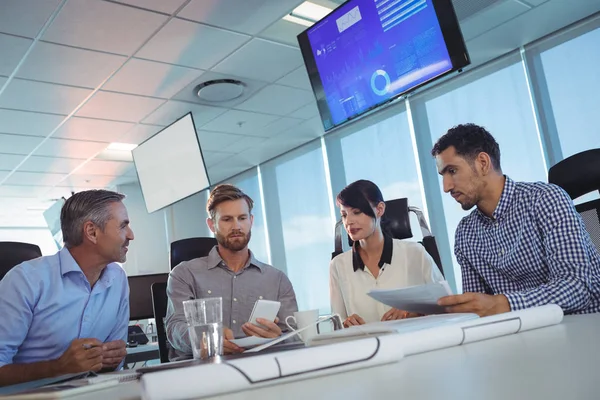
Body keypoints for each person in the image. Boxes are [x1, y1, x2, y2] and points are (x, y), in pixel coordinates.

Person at [431, 123, 600, 316]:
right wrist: (433, 311)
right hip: (524, 336)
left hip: (584, 326)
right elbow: (477, 308)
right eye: (442, 175)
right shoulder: (465, 233)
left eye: (452, 171)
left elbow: (577, 287)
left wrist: (505, 304)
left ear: (483, 163)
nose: (446, 187)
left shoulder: (545, 199)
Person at [0, 190, 134, 387]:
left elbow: (109, 368)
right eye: (123, 226)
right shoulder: (25, 281)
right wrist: (57, 368)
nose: (131, 235)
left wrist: (109, 360)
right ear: (92, 232)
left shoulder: (118, 279)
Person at [166, 184, 298, 359]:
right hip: (203, 372)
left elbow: (294, 336)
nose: (236, 226)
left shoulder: (277, 279)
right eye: (227, 219)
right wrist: (206, 339)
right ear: (212, 225)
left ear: (251, 221)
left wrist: (278, 339)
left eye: (242, 218)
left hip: (260, 369)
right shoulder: (185, 274)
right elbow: (175, 328)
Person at [330, 180, 444, 327]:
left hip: (414, 343)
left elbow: (446, 306)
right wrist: (345, 324)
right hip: (368, 347)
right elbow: (336, 324)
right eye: (344, 215)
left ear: (379, 209)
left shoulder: (415, 253)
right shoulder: (338, 266)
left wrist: (415, 312)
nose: (349, 221)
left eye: (357, 212)